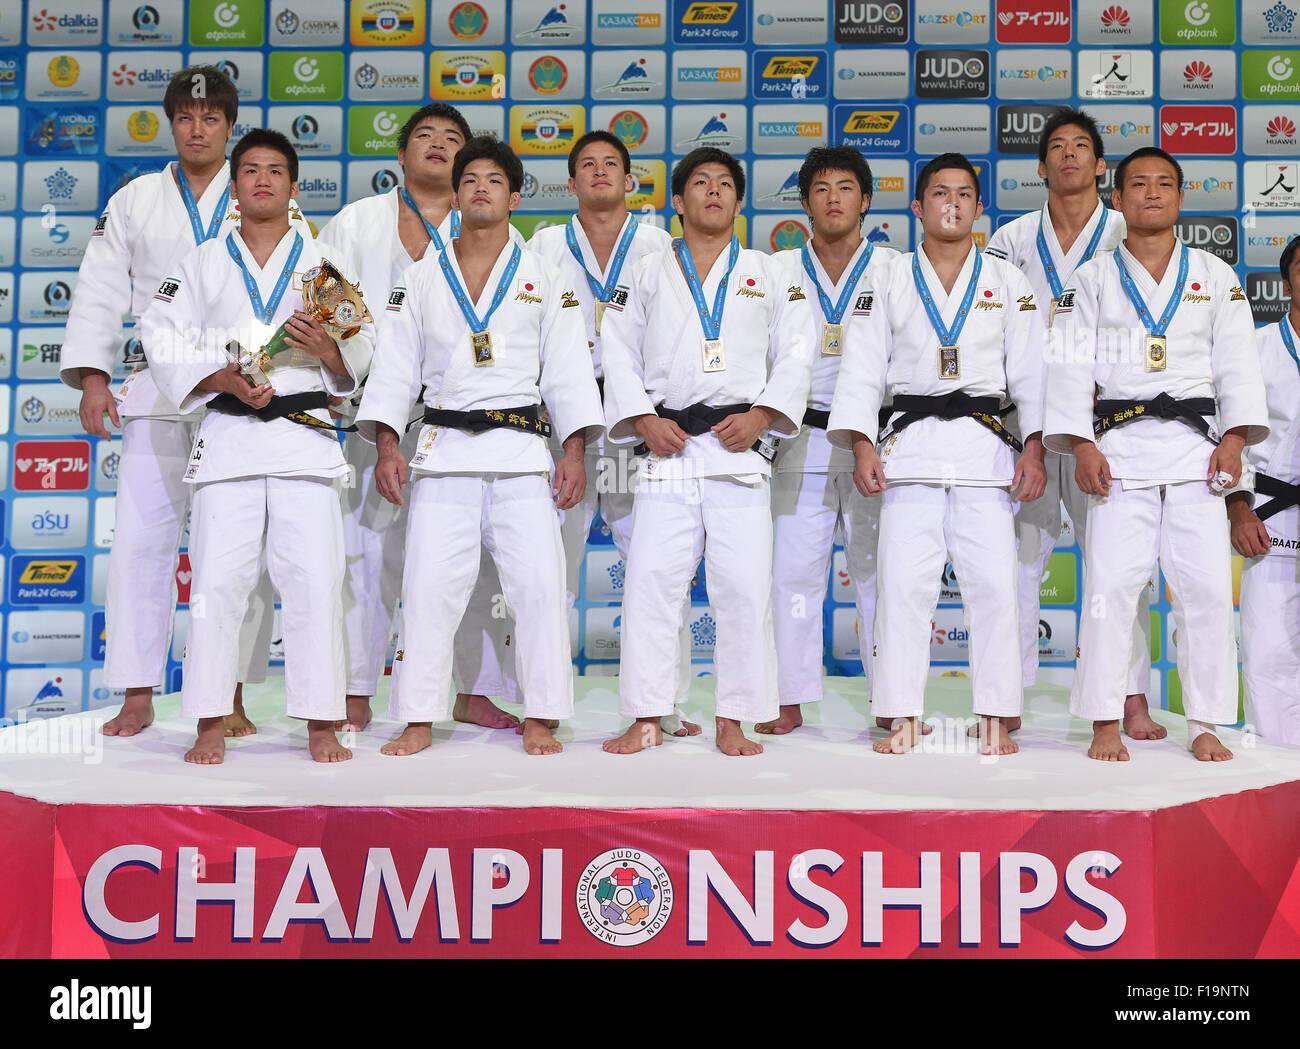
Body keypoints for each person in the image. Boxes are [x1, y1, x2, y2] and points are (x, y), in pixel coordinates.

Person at [356, 137, 603, 756]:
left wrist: (572, 452)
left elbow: (568, 374)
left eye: (495, 180)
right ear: (458, 194)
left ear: (515, 196)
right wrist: (389, 446)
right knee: (429, 587)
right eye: (470, 180)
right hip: (443, 453)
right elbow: (393, 373)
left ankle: (543, 712)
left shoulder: (547, 279)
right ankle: (417, 715)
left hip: (522, 454)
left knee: (540, 588)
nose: (481, 188)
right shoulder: (418, 279)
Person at [144, 129, 373, 764]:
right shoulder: (198, 262)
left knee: (315, 582)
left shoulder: (325, 266)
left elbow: (361, 345)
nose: (263, 180)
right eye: (250, 170)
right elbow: (160, 334)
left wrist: (330, 354)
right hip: (230, 440)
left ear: (295, 188)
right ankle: (210, 720)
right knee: (218, 584)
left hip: (304, 439)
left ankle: (321, 722)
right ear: (235, 186)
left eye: (276, 170)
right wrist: (217, 378)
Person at [59, 65, 274, 739]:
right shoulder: (135, 200)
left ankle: (230, 691)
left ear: (230, 127)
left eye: (211, 119)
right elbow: (98, 288)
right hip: (156, 388)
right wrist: (94, 377)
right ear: (171, 123)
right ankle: (137, 689)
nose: (198, 129)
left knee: (237, 549)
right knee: (143, 543)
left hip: (239, 390)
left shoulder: (262, 194)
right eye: (186, 117)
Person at [1044, 146, 1268, 762]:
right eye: (1137, 184)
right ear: (1116, 198)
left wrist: (1236, 437)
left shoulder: (1214, 275)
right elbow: (1067, 370)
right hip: (1119, 452)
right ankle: (1104, 719)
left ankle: (1206, 721)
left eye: (1163, 184)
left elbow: (1238, 368)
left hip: (1197, 455)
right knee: (1111, 588)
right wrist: (1082, 443)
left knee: (1203, 591)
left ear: (1180, 197)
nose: (1150, 194)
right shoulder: (1089, 279)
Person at [827, 152, 1047, 756]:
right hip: (911, 451)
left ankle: (998, 715)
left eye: (964, 194)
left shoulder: (1008, 280)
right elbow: (863, 367)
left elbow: (1029, 374)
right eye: (939, 193)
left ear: (978, 208)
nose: (952, 203)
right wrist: (862, 444)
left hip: (984, 453)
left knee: (996, 588)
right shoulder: (889, 275)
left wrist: (1034, 448)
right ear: (918, 207)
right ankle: (900, 714)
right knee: (903, 586)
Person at [600, 147, 814, 756]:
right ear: (677, 200)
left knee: (743, 587)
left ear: (740, 202)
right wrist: (641, 418)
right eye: (700, 183)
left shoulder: (771, 272)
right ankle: (646, 714)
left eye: (725, 184)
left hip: (737, 448)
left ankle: (734, 717)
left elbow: (798, 352)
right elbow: (616, 350)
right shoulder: (644, 271)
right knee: (651, 582)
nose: (713, 192)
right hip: (667, 448)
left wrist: (764, 416)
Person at [320, 103, 523, 735]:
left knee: (470, 561)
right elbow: (324, 305)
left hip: (462, 418)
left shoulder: (498, 235)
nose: (437, 145)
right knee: (364, 554)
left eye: (452, 139)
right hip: (370, 409)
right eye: (425, 137)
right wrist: (353, 375)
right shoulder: (357, 222)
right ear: (401, 155)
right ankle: (355, 689)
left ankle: (477, 689)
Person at [983, 110, 1163, 739]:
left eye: (1080, 147)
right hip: (1027, 421)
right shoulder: (1009, 239)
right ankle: (1007, 703)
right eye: (1056, 148)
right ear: (1040, 167)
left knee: (1118, 572)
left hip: (1104, 423)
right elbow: (991, 327)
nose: (1068, 156)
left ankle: (1129, 700)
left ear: (1100, 165)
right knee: (1017, 566)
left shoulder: (1126, 230)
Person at [526, 130, 698, 738]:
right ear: (570, 184)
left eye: (612, 166)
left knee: (653, 565)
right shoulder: (543, 247)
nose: (600, 173)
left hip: (635, 424)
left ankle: (664, 702)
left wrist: (653, 413)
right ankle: (540, 703)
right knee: (548, 567)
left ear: (631, 182)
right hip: (564, 426)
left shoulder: (660, 245)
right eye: (587, 166)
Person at [760, 145, 895, 735]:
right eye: (820, 188)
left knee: (879, 572)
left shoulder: (896, 268)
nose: (833, 198)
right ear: (804, 202)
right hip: (803, 437)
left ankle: (891, 698)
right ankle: (788, 699)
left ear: (865, 200)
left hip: (878, 437)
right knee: (793, 572)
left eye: (846, 188)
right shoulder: (773, 272)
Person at [1227, 237, 1300, 746]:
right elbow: (1229, 438)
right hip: (1273, 513)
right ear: (1287, 279)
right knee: (1268, 648)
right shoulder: (1254, 349)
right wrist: (1237, 510)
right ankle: (1280, 771)